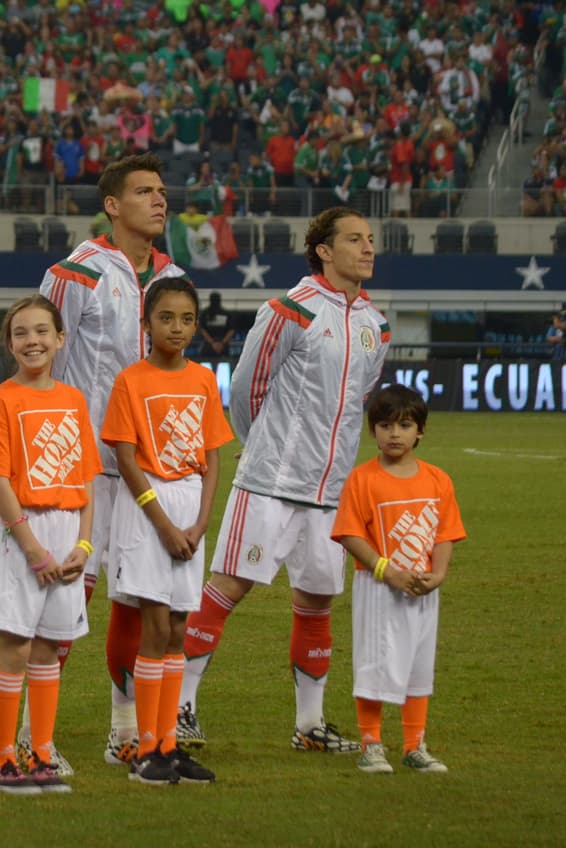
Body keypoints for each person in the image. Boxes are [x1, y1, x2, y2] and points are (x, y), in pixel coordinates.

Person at [178, 207, 390, 753]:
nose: (367, 248)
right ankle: (180, 707)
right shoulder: (289, 310)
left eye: (370, 240)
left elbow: (359, 401)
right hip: (271, 480)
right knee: (228, 586)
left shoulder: (376, 324)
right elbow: (248, 389)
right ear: (323, 250)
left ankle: (309, 726)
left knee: (317, 602)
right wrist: (265, 452)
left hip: (331, 491)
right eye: (354, 239)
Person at [38, 152, 184, 772]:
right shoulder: (76, 273)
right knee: (69, 603)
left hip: (146, 469)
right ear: (112, 205)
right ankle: (31, 734)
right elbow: (38, 355)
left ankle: (124, 730)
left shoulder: (172, 276)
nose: (159, 201)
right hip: (85, 468)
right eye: (144, 191)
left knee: (137, 599)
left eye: (161, 192)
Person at [100, 277, 230, 786]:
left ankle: (170, 745)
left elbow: (213, 456)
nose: (176, 328)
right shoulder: (131, 381)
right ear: (147, 323)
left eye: (186, 319)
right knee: (154, 628)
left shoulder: (201, 379)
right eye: (166, 318)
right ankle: (146, 749)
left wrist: (200, 522)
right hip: (148, 508)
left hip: (188, 509)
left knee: (177, 630)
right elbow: (125, 458)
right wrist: (164, 522)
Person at [0, 295, 100, 795]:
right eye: (22, 333)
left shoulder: (73, 400)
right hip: (20, 533)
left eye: (42, 331)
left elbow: (87, 480)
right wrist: (32, 548)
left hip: (67, 532)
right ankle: (3, 758)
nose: (33, 341)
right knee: (17, 643)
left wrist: (85, 545)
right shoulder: (3, 399)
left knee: (50, 646)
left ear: (60, 338)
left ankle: (40, 752)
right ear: (9, 343)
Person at [332, 385, 465, 774]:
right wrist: (386, 571)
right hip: (379, 588)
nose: (395, 434)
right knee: (374, 665)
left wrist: (438, 574)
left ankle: (414, 745)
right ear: (372, 430)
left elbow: (444, 534)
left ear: (420, 431)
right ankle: (371, 743)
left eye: (404, 425)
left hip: (423, 590)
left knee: (418, 667)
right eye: (386, 425)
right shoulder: (363, 479)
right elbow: (349, 533)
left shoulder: (438, 480)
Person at [197, 291, 234, 358]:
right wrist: (218, 343)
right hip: (213, 346)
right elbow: (202, 329)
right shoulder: (206, 313)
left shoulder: (225, 313)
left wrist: (217, 343)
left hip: (217, 346)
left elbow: (231, 330)